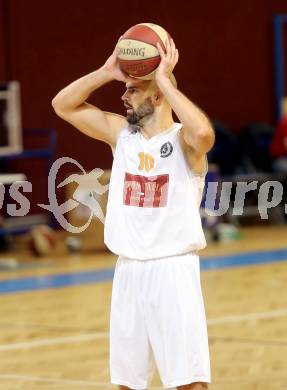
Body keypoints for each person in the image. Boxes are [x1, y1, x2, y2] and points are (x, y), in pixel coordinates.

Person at [52, 36, 215, 390]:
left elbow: (203, 131)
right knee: (127, 384)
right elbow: (62, 105)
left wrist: (163, 81)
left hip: (172, 271)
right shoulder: (120, 135)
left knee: (189, 382)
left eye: (132, 90)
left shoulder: (184, 142)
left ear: (157, 95)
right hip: (128, 270)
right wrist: (105, 72)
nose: (122, 96)